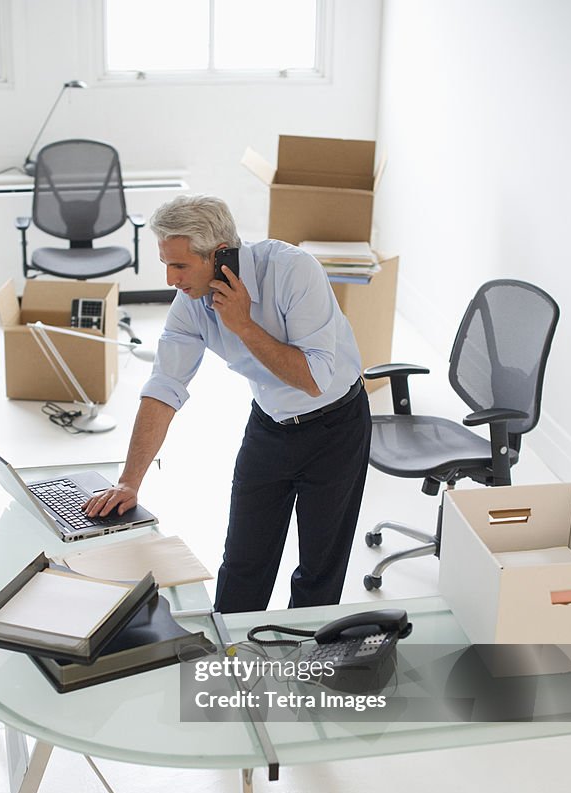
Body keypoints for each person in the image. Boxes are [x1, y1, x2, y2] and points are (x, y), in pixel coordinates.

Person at [83, 194, 372, 613]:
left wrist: (243, 324)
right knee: (242, 561)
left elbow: (313, 379)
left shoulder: (293, 271)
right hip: (270, 426)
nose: (170, 279)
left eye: (179, 266)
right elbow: (164, 386)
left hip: (336, 426)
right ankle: (231, 660)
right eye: (166, 264)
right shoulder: (191, 304)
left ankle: (305, 666)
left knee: (319, 569)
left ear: (220, 256)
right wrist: (130, 481)